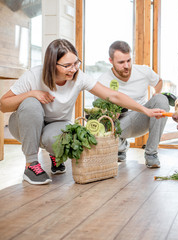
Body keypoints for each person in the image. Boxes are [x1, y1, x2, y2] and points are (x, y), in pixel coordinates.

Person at [0, 39, 164, 185]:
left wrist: (145, 110)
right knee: (30, 103)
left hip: (56, 125)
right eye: (67, 66)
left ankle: (55, 154)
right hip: (24, 124)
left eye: (76, 63)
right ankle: (31, 165)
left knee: (62, 138)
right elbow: (3, 104)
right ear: (52, 64)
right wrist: (32, 93)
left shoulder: (79, 77)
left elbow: (113, 95)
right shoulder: (34, 75)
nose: (73, 69)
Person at [97, 41, 169, 168]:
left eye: (128, 60)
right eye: (121, 62)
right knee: (102, 129)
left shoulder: (143, 71)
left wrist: (155, 93)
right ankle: (121, 147)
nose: (127, 66)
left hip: (142, 118)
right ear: (111, 60)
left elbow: (159, 81)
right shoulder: (103, 80)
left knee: (161, 99)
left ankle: (151, 153)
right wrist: (111, 114)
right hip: (120, 122)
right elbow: (99, 112)